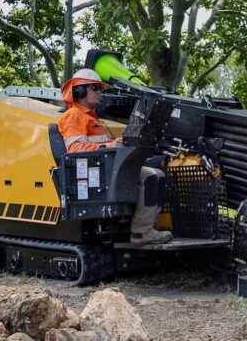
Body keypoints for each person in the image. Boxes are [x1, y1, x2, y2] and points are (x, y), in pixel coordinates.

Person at [59, 68, 173, 245]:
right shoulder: (74, 115)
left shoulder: (93, 118)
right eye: (94, 88)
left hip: (107, 167)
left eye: (100, 88)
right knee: (151, 176)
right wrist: (111, 146)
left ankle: (145, 226)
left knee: (158, 171)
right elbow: (75, 149)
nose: (99, 92)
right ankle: (141, 232)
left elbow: (101, 145)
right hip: (97, 172)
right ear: (80, 91)